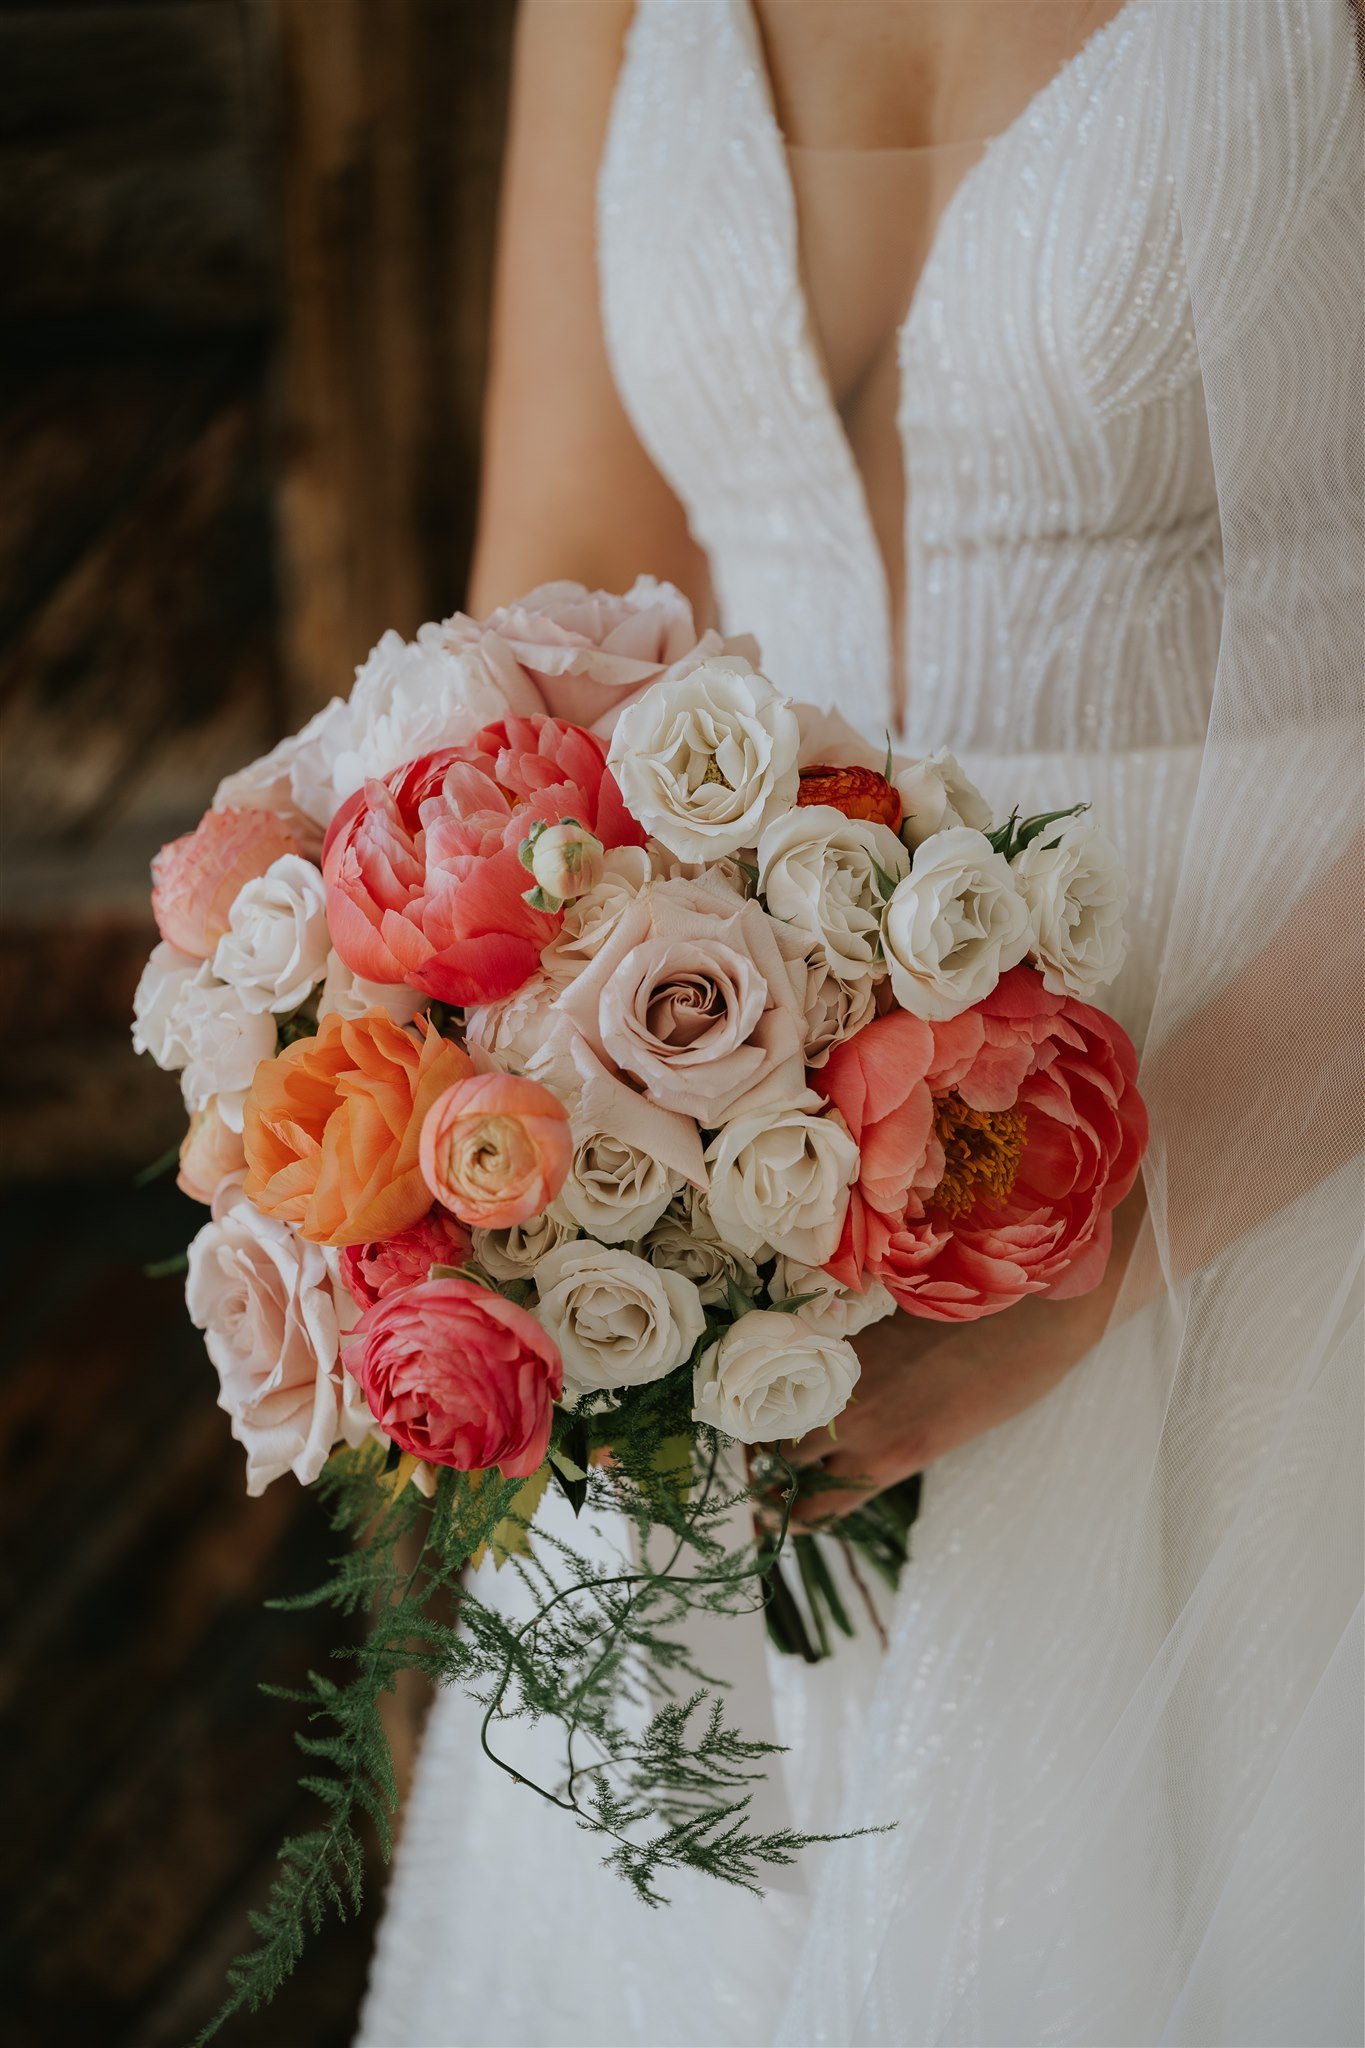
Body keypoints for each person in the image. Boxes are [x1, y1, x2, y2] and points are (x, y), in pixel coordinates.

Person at [359, 4, 1364, 2043]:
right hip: (732, 1158)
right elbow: (556, 573)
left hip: (1289, 1180)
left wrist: (1113, 1235)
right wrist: (508, 1135)